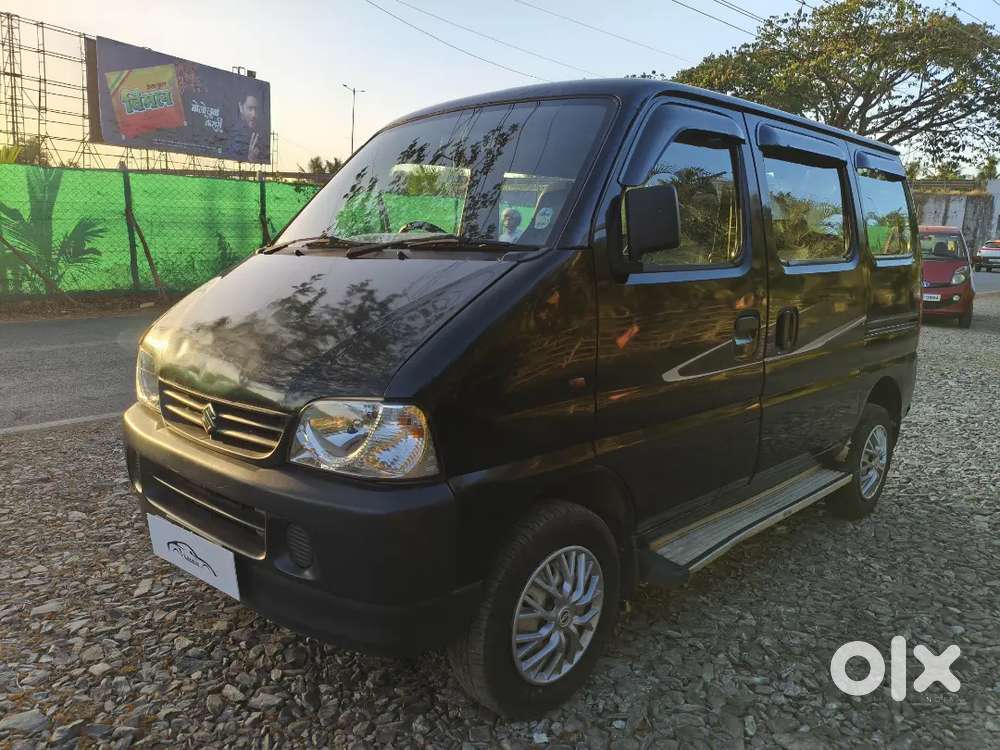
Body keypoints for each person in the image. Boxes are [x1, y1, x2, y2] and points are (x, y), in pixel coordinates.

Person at [235, 92, 263, 162]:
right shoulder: (232, 135)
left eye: (256, 109)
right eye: (250, 109)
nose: (254, 115)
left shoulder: (260, 134)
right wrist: (250, 158)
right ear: (241, 107)